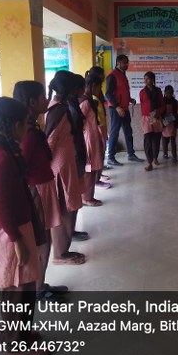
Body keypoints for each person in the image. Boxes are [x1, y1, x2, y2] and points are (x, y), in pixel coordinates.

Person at [0, 97, 48, 355]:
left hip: (16, 228)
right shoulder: (1, 158)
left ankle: (23, 334)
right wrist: (17, 240)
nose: (29, 128)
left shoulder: (3, 149)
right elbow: (0, 205)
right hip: (10, 233)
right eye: (26, 124)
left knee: (25, 287)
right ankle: (12, 346)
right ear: (16, 125)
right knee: (15, 291)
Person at [12, 80, 68, 300]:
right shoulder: (26, 130)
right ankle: (37, 289)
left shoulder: (32, 125)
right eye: (43, 96)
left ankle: (40, 284)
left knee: (44, 238)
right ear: (32, 102)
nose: (47, 99)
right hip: (36, 189)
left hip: (43, 186)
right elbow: (22, 165)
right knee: (41, 241)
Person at [45, 71, 86, 265]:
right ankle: (60, 254)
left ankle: (64, 250)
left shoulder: (60, 107)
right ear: (70, 89)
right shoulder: (58, 110)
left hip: (66, 164)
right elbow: (50, 142)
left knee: (68, 207)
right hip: (60, 168)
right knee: (63, 210)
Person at [105, 54, 144, 165]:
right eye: (124, 63)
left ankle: (131, 154)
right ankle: (111, 158)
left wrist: (130, 99)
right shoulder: (112, 75)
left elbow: (121, 92)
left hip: (125, 108)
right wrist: (117, 107)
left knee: (128, 131)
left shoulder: (122, 74)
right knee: (114, 132)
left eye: (127, 62)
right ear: (118, 63)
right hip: (116, 109)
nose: (127, 64)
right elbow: (108, 94)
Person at [79, 72, 104, 205]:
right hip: (88, 139)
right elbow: (79, 122)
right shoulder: (85, 102)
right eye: (99, 86)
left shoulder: (89, 99)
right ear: (93, 85)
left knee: (93, 168)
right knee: (89, 169)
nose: (100, 90)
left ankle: (89, 196)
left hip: (92, 137)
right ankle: (86, 198)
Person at [86, 65, 111, 189]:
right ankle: (96, 180)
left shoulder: (95, 96)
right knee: (97, 155)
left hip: (101, 127)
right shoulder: (91, 100)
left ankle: (98, 176)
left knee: (101, 153)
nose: (104, 77)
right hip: (97, 129)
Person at [139, 71, 165, 171]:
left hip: (156, 117)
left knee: (156, 140)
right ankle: (149, 162)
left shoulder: (158, 91)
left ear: (152, 80)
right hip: (146, 118)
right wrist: (145, 115)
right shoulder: (142, 92)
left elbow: (162, 105)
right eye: (144, 79)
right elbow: (142, 105)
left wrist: (158, 112)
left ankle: (155, 157)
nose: (145, 81)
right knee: (147, 140)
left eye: (148, 79)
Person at [161, 85, 178, 162]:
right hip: (164, 122)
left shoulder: (175, 101)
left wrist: (177, 113)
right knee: (165, 140)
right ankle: (165, 153)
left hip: (172, 122)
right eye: (167, 93)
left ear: (172, 93)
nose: (169, 94)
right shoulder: (162, 101)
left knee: (173, 140)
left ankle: (174, 156)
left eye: (171, 93)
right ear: (165, 93)